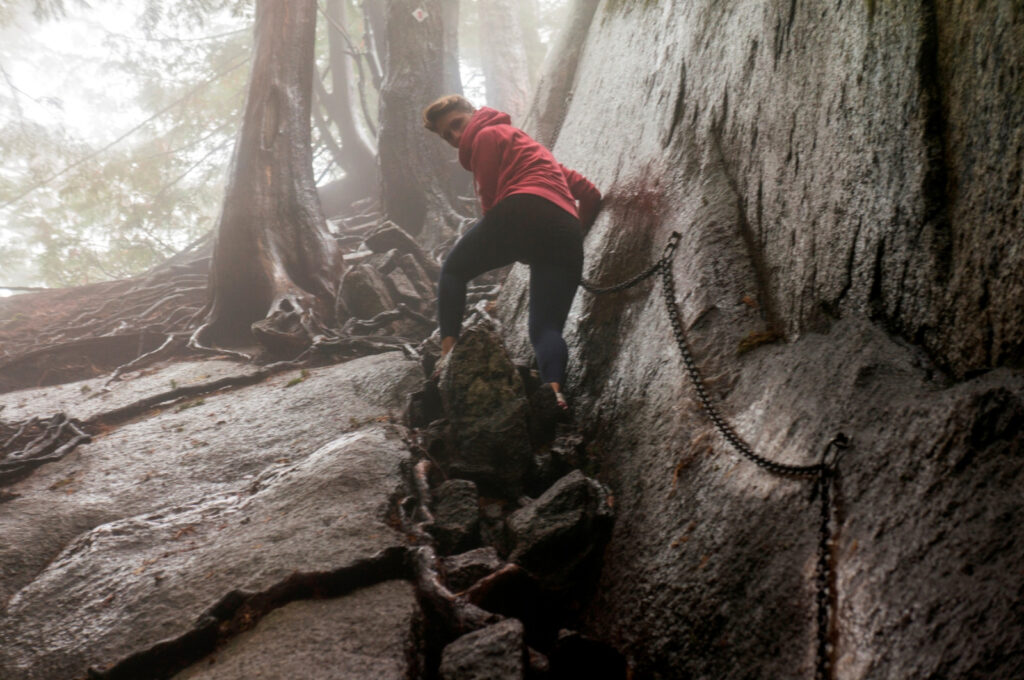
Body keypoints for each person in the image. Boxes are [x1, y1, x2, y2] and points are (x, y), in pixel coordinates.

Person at [423, 94, 601, 410]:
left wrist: (512, 243)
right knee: (545, 329)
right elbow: (589, 194)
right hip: (563, 231)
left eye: (456, 124)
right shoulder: (533, 152)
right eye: (445, 135)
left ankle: (447, 356)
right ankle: (554, 393)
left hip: (521, 210)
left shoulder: (487, 135)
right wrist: (573, 236)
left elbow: (491, 203)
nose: (454, 137)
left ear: (473, 113)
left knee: (453, 270)